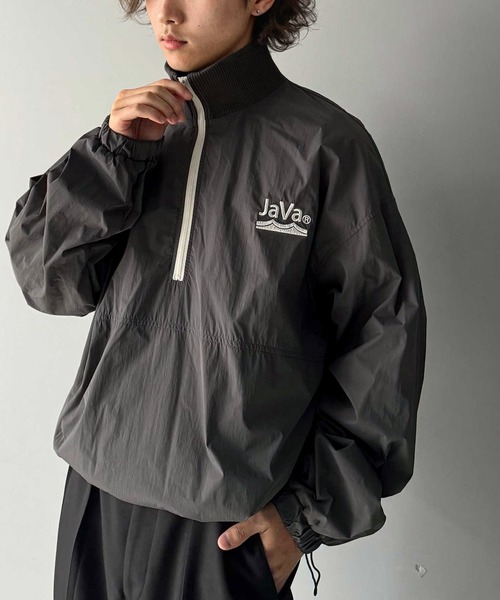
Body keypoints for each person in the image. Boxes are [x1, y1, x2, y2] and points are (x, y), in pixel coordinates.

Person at [4, 0, 427, 598]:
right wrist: (112, 157)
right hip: (97, 504)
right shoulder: (130, 138)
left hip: (226, 532)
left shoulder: (326, 145)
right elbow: (48, 281)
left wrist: (304, 517)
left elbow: (383, 341)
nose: (165, 13)